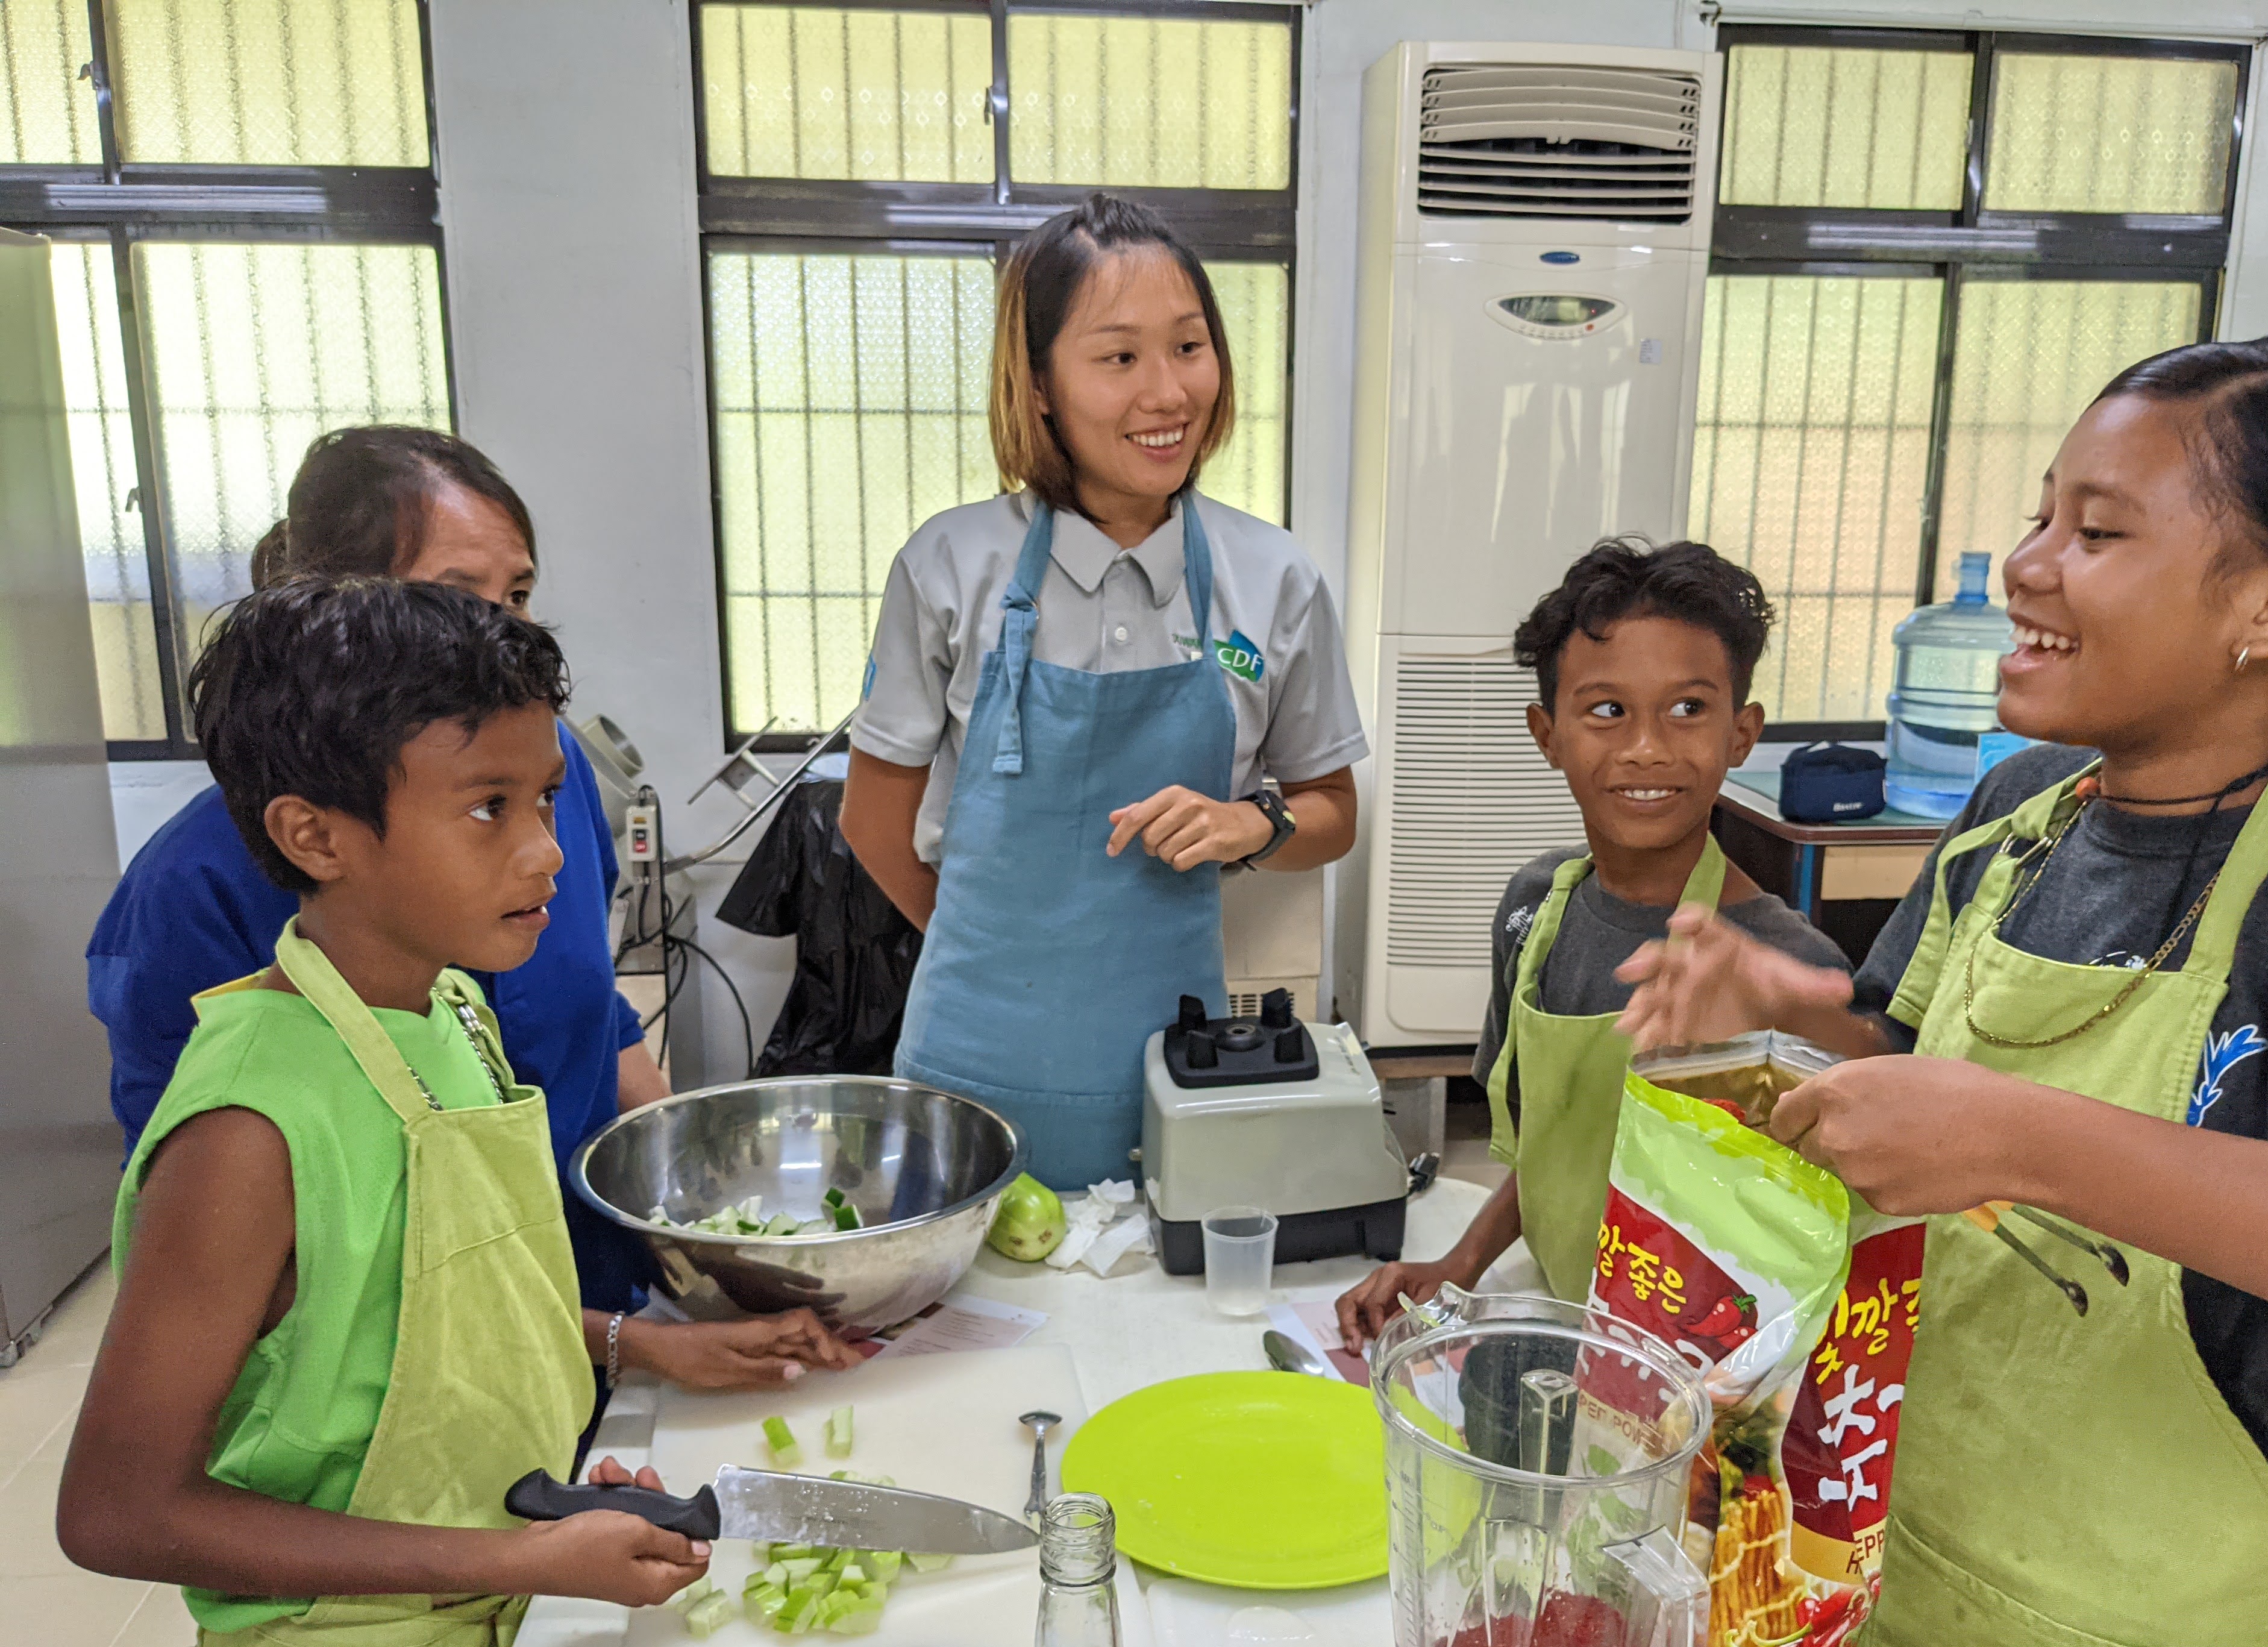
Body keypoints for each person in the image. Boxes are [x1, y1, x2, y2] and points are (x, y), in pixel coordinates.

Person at [1612, 337, 2268, 1647]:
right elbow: (1916, 1095)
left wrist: (2028, 1143)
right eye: (2043, 516)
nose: (2027, 569)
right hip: (1896, 1578)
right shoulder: (2017, 816)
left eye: (2099, 533)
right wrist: (1793, 1028)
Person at [58, 579, 709, 1647]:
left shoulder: (451, 1015)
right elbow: (116, 1510)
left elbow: (419, 1316)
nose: (547, 853)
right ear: (316, 836)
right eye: (487, 809)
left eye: (546, 799)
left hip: (485, 1631)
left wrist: (564, 1472)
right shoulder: (252, 1126)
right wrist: (512, 1555)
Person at [86, 426, 848, 1399]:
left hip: (579, 1307)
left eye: (520, 596)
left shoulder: (546, 798)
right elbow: (241, 1259)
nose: (508, 638)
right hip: (389, 1387)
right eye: (457, 597)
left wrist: (703, 1227)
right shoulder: (192, 892)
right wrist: (621, 1344)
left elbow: (595, 1017)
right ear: (338, 616)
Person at [841, 194, 1368, 1190]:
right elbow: (874, 821)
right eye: (1119, 358)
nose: (1168, 393)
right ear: (1039, 384)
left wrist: (1253, 825)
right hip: (972, 1062)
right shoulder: (949, 566)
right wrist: (1001, 955)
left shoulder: (1274, 577)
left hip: (1174, 1059)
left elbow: (1334, 811)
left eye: (1189, 347)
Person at [1334, 539, 1847, 1335]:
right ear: (1548, 734)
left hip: (1701, 1370)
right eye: (1608, 711)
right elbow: (1552, 1150)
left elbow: (1816, 1247)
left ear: (1742, 733)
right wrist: (1459, 1265)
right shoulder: (1532, 910)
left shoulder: (1788, 973)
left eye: (1688, 709)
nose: (1646, 747)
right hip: (1556, 1315)